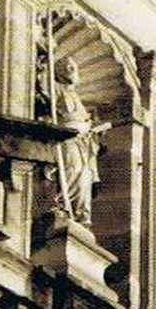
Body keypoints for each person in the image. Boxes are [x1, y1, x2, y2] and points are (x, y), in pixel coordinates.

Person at [54, 57, 101, 225]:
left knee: (84, 176)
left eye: (73, 67)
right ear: (58, 71)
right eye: (68, 67)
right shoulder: (56, 89)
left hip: (82, 142)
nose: (72, 70)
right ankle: (62, 204)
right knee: (72, 170)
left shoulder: (76, 97)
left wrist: (92, 129)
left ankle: (80, 213)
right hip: (67, 138)